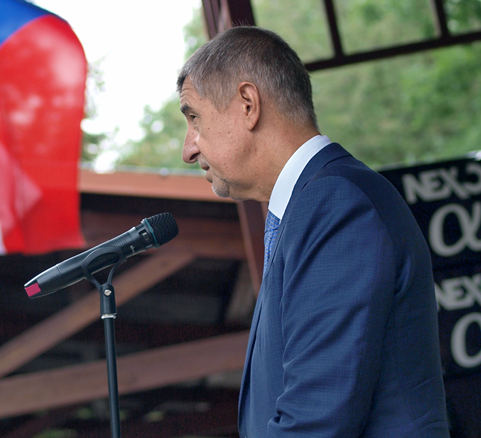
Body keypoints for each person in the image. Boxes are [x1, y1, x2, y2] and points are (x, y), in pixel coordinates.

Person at [177, 26, 449, 437]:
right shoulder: (313, 205)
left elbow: (316, 419)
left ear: (248, 104)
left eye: (194, 117)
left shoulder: (334, 204)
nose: (188, 149)